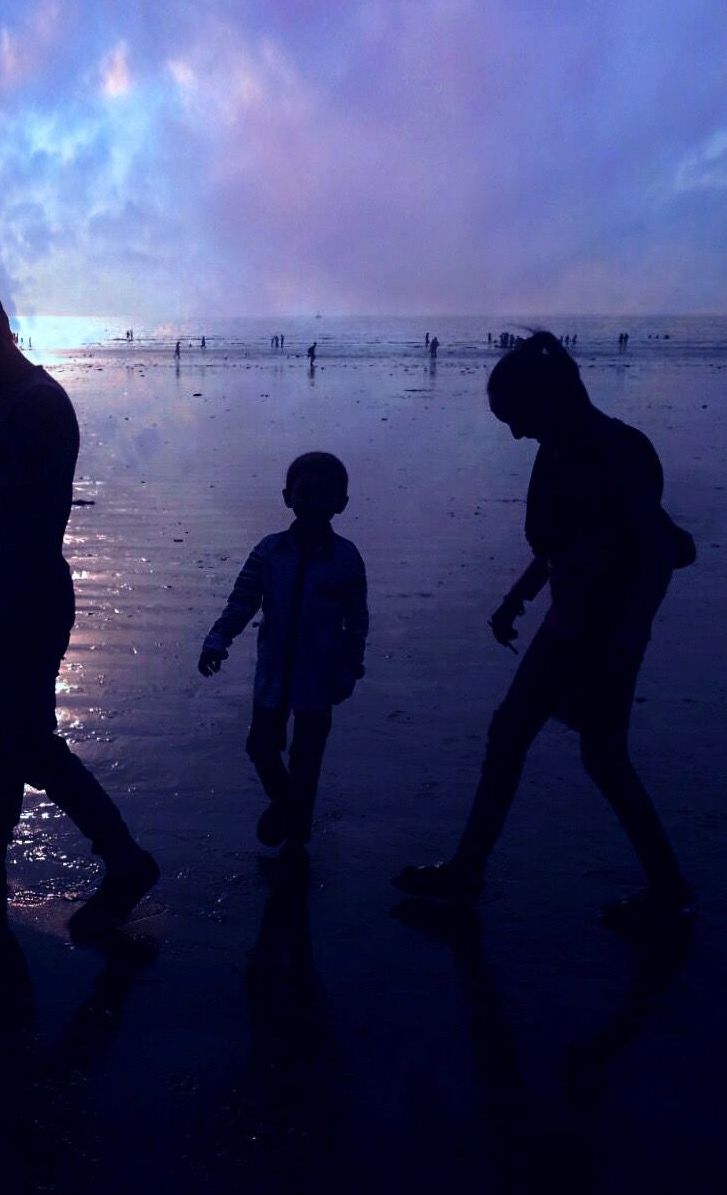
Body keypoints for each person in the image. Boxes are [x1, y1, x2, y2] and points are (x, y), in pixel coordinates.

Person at [392, 332, 693, 930]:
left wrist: (628, 641)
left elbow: (656, 557)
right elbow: (567, 541)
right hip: (566, 621)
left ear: (551, 400)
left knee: (602, 756)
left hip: (607, 631)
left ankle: (668, 885)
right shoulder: (557, 447)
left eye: (517, 418)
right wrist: (518, 596)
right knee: (513, 735)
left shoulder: (622, 453)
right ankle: (469, 868)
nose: (514, 433)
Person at [0, 274, 158, 931]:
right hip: (8, 594)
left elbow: (14, 500)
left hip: (29, 599)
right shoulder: (13, 401)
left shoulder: (39, 404)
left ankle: (125, 859)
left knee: (31, 744)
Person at [198, 452, 368, 846]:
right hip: (272, 676)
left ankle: (297, 842)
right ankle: (288, 807)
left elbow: (357, 623)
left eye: (324, 496)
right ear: (288, 497)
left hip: (319, 680)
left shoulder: (345, 558)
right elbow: (242, 601)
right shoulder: (270, 552)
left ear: (341, 503)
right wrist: (218, 638)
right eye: (304, 494)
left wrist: (350, 669)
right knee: (260, 747)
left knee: (307, 763)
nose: (313, 504)